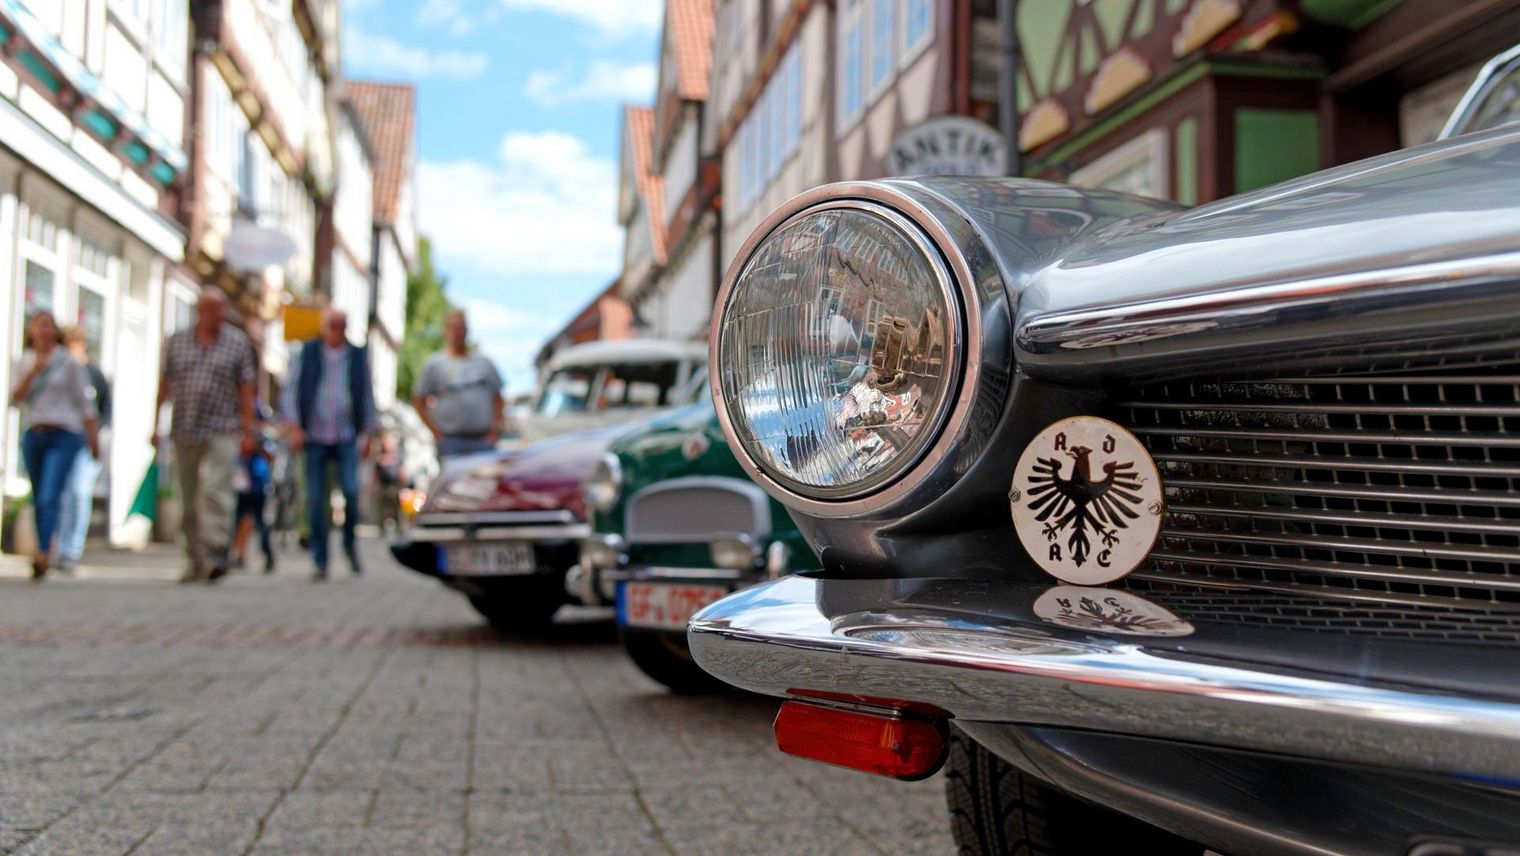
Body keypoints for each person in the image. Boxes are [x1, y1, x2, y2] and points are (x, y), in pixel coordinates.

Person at [151, 289, 257, 583]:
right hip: (185, 426)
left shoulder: (237, 343)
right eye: (212, 309)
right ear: (199, 310)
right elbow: (164, 383)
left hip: (223, 427)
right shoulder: (177, 342)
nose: (218, 315)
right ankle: (194, 558)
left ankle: (215, 552)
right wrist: (155, 424)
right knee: (186, 496)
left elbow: (247, 389)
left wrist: (248, 430)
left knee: (215, 488)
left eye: (221, 309)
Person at [281, 309, 376, 581]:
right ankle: (320, 560)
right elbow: (291, 390)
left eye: (342, 326)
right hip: (314, 437)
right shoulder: (308, 353)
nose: (337, 331)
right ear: (324, 328)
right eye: (332, 326)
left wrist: (369, 434)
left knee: (351, 491)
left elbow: (367, 396)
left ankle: (349, 544)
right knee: (315, 500)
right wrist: (294, 426)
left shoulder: (357, 356)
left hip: (346, 436)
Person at [8, 312, 99, 581]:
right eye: (38, 325)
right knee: (39, 496)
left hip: (65, 435)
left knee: (51, 494)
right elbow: (16, 398)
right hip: (35, 433)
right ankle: (45, 546)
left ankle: (43, 552)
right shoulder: (23, 361)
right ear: (30, 330)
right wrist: (35, 369)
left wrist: (93, 439)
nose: (44, 331)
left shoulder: (67, 362)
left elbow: (85, 403)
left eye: (49, 326)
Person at [55, 326, 111, 573]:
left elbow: (106, 410)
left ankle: (72, 550)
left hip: (87, 442)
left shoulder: (94, 374)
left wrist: (96, 436)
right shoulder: (59, 372)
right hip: (64, 439)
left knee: (79, 492)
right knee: (62, 496)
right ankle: (58, 549)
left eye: (72, 347)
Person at [412, 311, 504, 459]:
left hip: (483, 440)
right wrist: (436, 433)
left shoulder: (485, 363)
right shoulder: (434, 365)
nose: (457, 332)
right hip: (450, 441)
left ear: (467, 330)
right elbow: (419, 401)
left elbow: (498, 398)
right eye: (453, 327)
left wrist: (496, 429)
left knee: (483, 481)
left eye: (461, 327)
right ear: (445, 331)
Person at [232, 418, 276, 574]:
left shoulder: (261, 435)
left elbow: (271, 454)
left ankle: (269, 557)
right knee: (236, 523)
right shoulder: (234, 431)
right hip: (240, 488)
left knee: (261, 524)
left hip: (258, 488)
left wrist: (257, 447)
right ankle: (237, 555)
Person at [373, 431, 405, 534]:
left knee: (397, 509)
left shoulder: (398, 457)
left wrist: (402, 482)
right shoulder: (380, 458)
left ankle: (399, 528)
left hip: (394, 485)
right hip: (383, 485)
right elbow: (375, 474)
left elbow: (402, 471)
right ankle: (381, 529)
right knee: (382, 509)